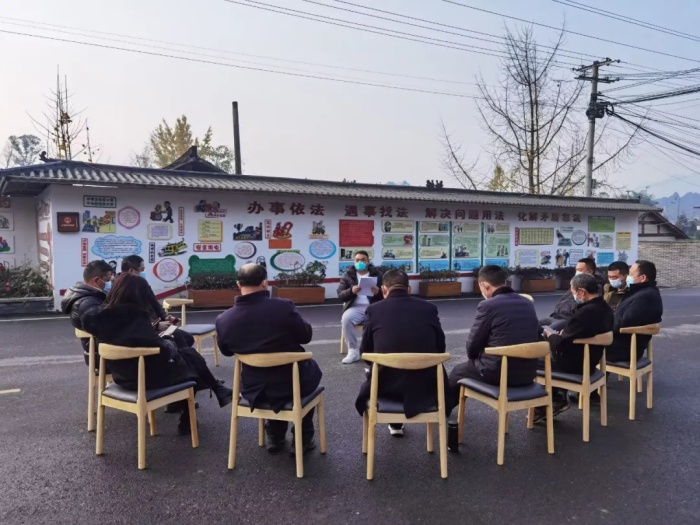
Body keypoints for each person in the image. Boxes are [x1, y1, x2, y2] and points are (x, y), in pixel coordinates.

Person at [82, 274, 233, 435]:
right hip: (144, 379)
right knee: (189, 363)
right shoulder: (137, 316)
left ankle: (211, 391)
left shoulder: (97, 317)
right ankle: (192, 413)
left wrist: (157, 331)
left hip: (121, 376)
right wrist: (168, 340)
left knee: (186, 356)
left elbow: (128, 335)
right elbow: (161, 349)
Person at [216, 264, 322, 454]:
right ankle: (302, 439)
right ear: (265, 283)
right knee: (308, 373)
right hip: (292, 384)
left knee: (272, 380)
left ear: (238, 284)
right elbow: (305, 336)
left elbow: (226, 352)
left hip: (253, 388)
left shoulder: (224, 319)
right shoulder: (283, 307)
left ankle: (274, 435)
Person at [354, 269, 447, 437]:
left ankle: (394, 423)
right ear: (409, 289)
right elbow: (440, 347)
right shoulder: (429, 308)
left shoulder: (374, 310)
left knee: (379, 370)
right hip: (425, 386)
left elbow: (365, 352)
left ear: (384, 290)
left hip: (385, 386)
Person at [447, 265, 540, 412]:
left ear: (484, 285)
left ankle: (443, 410)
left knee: (459, 371)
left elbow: (472, 347)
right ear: (504, 281)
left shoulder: (488, 305)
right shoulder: (527, 303)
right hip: (528, 373)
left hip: (498, 374)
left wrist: (479, 356)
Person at [538, 273, 614, 420]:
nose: (573, 296)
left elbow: (559, 344)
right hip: (591, 361)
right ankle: (557, 396)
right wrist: (564, 335)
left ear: (581, 291)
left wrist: (550, 335)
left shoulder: (585, 312)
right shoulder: (605, 308)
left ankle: (553, 401)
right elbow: (574, 335)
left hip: (574, 364)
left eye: (573, 292)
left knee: (533, 361)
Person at [606, 260, 663, 363]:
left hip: (622, 349)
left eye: (631, 274)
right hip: (622, 343)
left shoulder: (645, 297)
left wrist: (599, 327)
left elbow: (623, 322)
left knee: (581, 346)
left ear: (643, 278)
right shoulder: (641, 292)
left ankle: (587, 373)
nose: (628, 277)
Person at [61, 260, 114, 367]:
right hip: (103, 358)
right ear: (96, 280)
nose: (110, 284)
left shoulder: (89, 298)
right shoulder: (87, 303)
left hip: (101, 353)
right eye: (108, 280)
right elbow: (106, 329)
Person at [337, 250, 383, 364]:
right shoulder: (348, 275)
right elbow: (340, 295)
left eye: (363, 260)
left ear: (368, 261)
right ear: (354, 261)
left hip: (374, 307)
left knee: (387, 319)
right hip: (355, 308)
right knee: (346, 319)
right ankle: (353, 350)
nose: (360, 262)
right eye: (357, 260)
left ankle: (381, 349)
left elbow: (387, 293)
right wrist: (351, 291)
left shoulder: (378, 274)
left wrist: (379, 292)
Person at [539, 257, 597, 331]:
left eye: (580, 270)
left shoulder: (593, 287)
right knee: (532, 326)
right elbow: (564, 300)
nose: (577, 272)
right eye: (576, 270)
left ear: (590, 272)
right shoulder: (576, 283)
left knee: (547, 332)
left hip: (567, 319)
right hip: (555, 316)